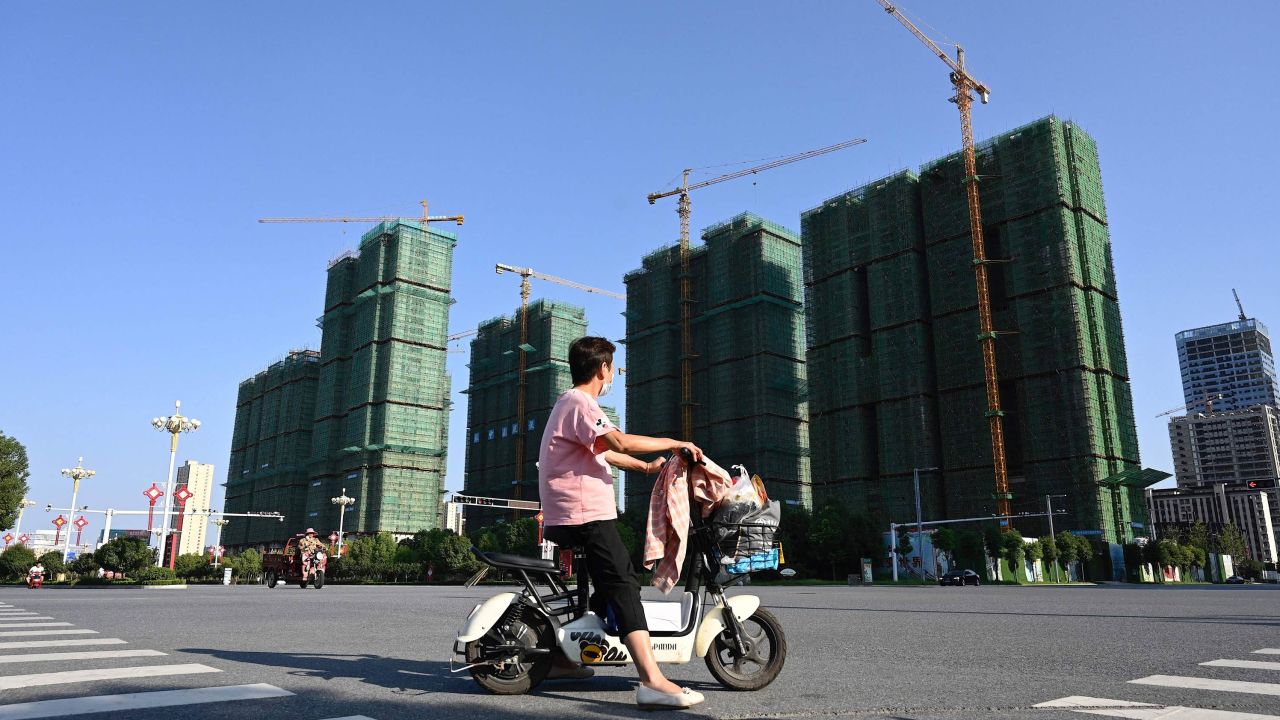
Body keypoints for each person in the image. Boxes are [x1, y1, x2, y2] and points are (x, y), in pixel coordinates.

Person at [539, 336, 706, 710]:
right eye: (612, 367)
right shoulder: (580, 403)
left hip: (577, 512)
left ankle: (564, 660)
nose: (612, 373)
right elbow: (621, 441)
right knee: (623, 585)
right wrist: (674, 442)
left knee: (613, 582)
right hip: (583, 514)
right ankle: (652, 680)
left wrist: (649, 468)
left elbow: (607, 453)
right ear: (603, 369)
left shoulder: (574, 405)